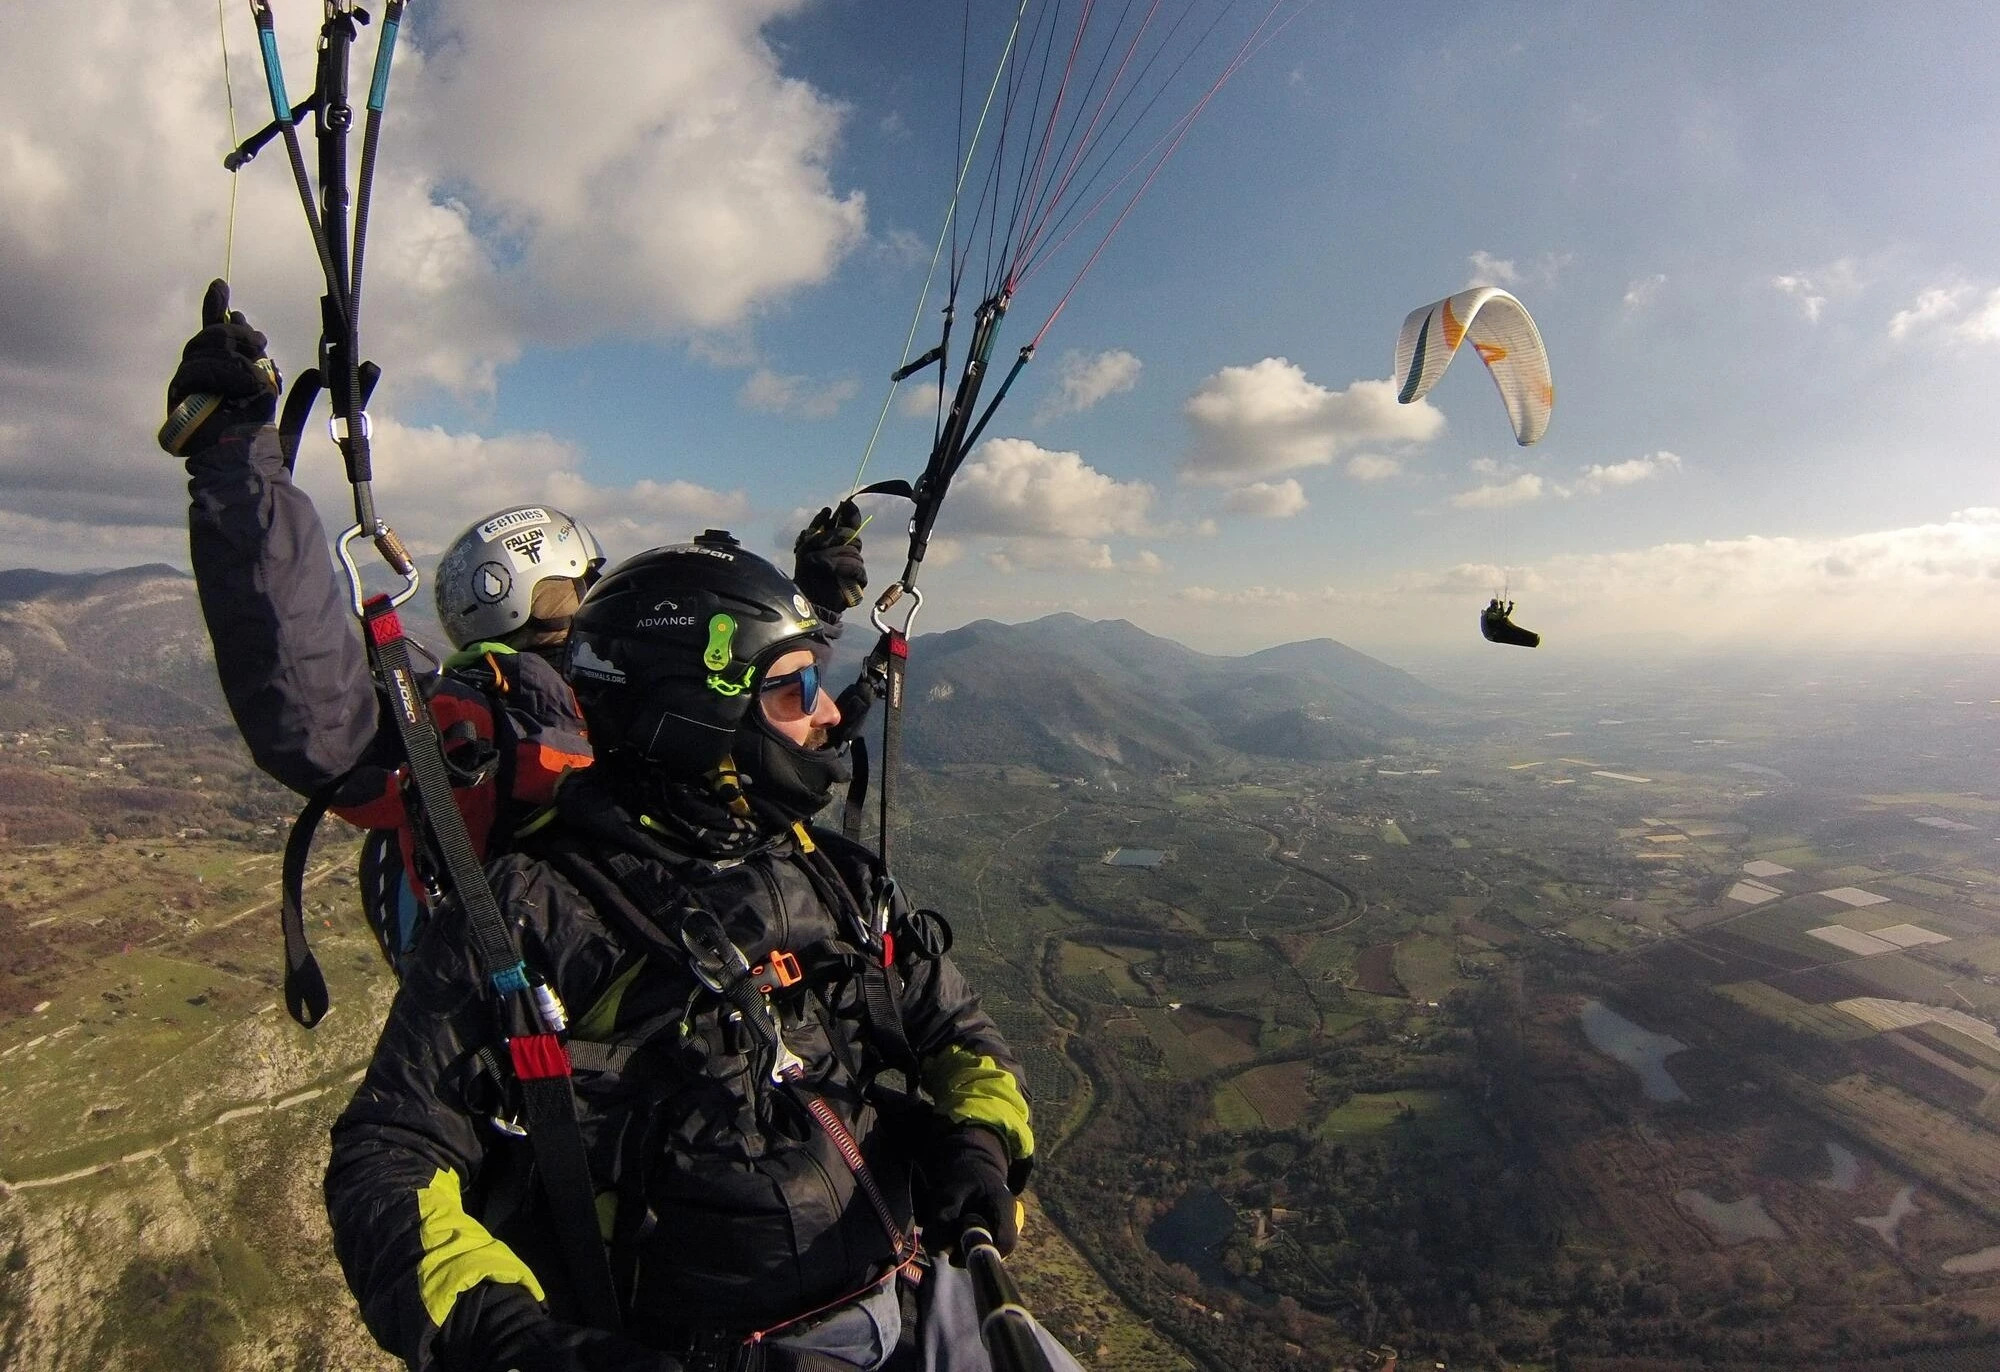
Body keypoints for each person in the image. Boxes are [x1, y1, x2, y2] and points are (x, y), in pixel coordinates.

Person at [323, 535, 1080, 1371]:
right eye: (796, 689)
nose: (828, 714)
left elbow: (957, 1029)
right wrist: (515, 1344)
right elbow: (389, 1157)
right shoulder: (530, 916)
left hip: (919, 1291)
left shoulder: (824, 873)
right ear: (696, 717)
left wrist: (982, 1140)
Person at [166, 282, 871, 967]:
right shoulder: (475, 719)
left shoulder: (587, 697)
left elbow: (729, 699)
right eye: (581, 587)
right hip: (566, 1001)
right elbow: (317, 712)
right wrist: (239, 467)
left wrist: (811, 614)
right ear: (551, 596)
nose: (597, 598)